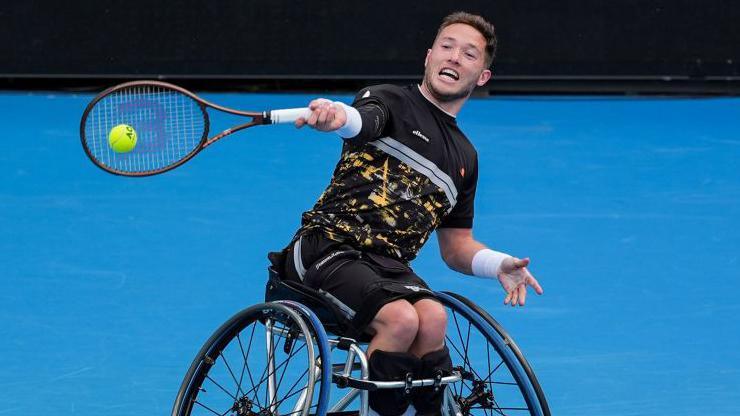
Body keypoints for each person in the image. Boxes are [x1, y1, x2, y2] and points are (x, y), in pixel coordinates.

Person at [273, 11, 544, 416]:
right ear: (429, 56)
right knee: (400, 320)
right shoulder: (389, 100)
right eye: (447, 47)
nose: (453, 58)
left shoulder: (464, 158)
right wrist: (337, 116)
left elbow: (456, 248)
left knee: (433, 318)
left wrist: (498, 264)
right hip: (326, 249)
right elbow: (361, 122)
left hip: (388, 268)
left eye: (468, 54)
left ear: (482, 76)